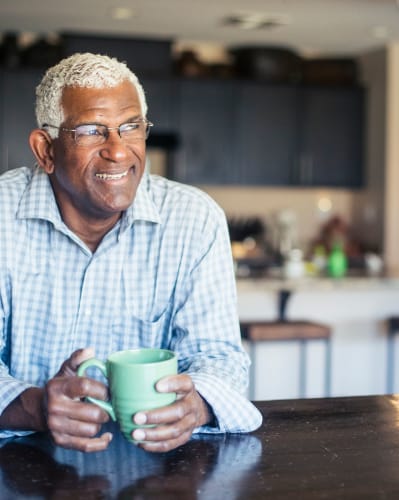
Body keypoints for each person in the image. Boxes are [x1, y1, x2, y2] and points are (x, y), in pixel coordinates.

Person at [0, 52, 262, 452]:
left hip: (157, 471)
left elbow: (219, 357)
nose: (119, 151)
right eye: (91, 131)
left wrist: (198, 405)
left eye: (131, 127)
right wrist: (34, 407)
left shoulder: (193, 219)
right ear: (46, 150)